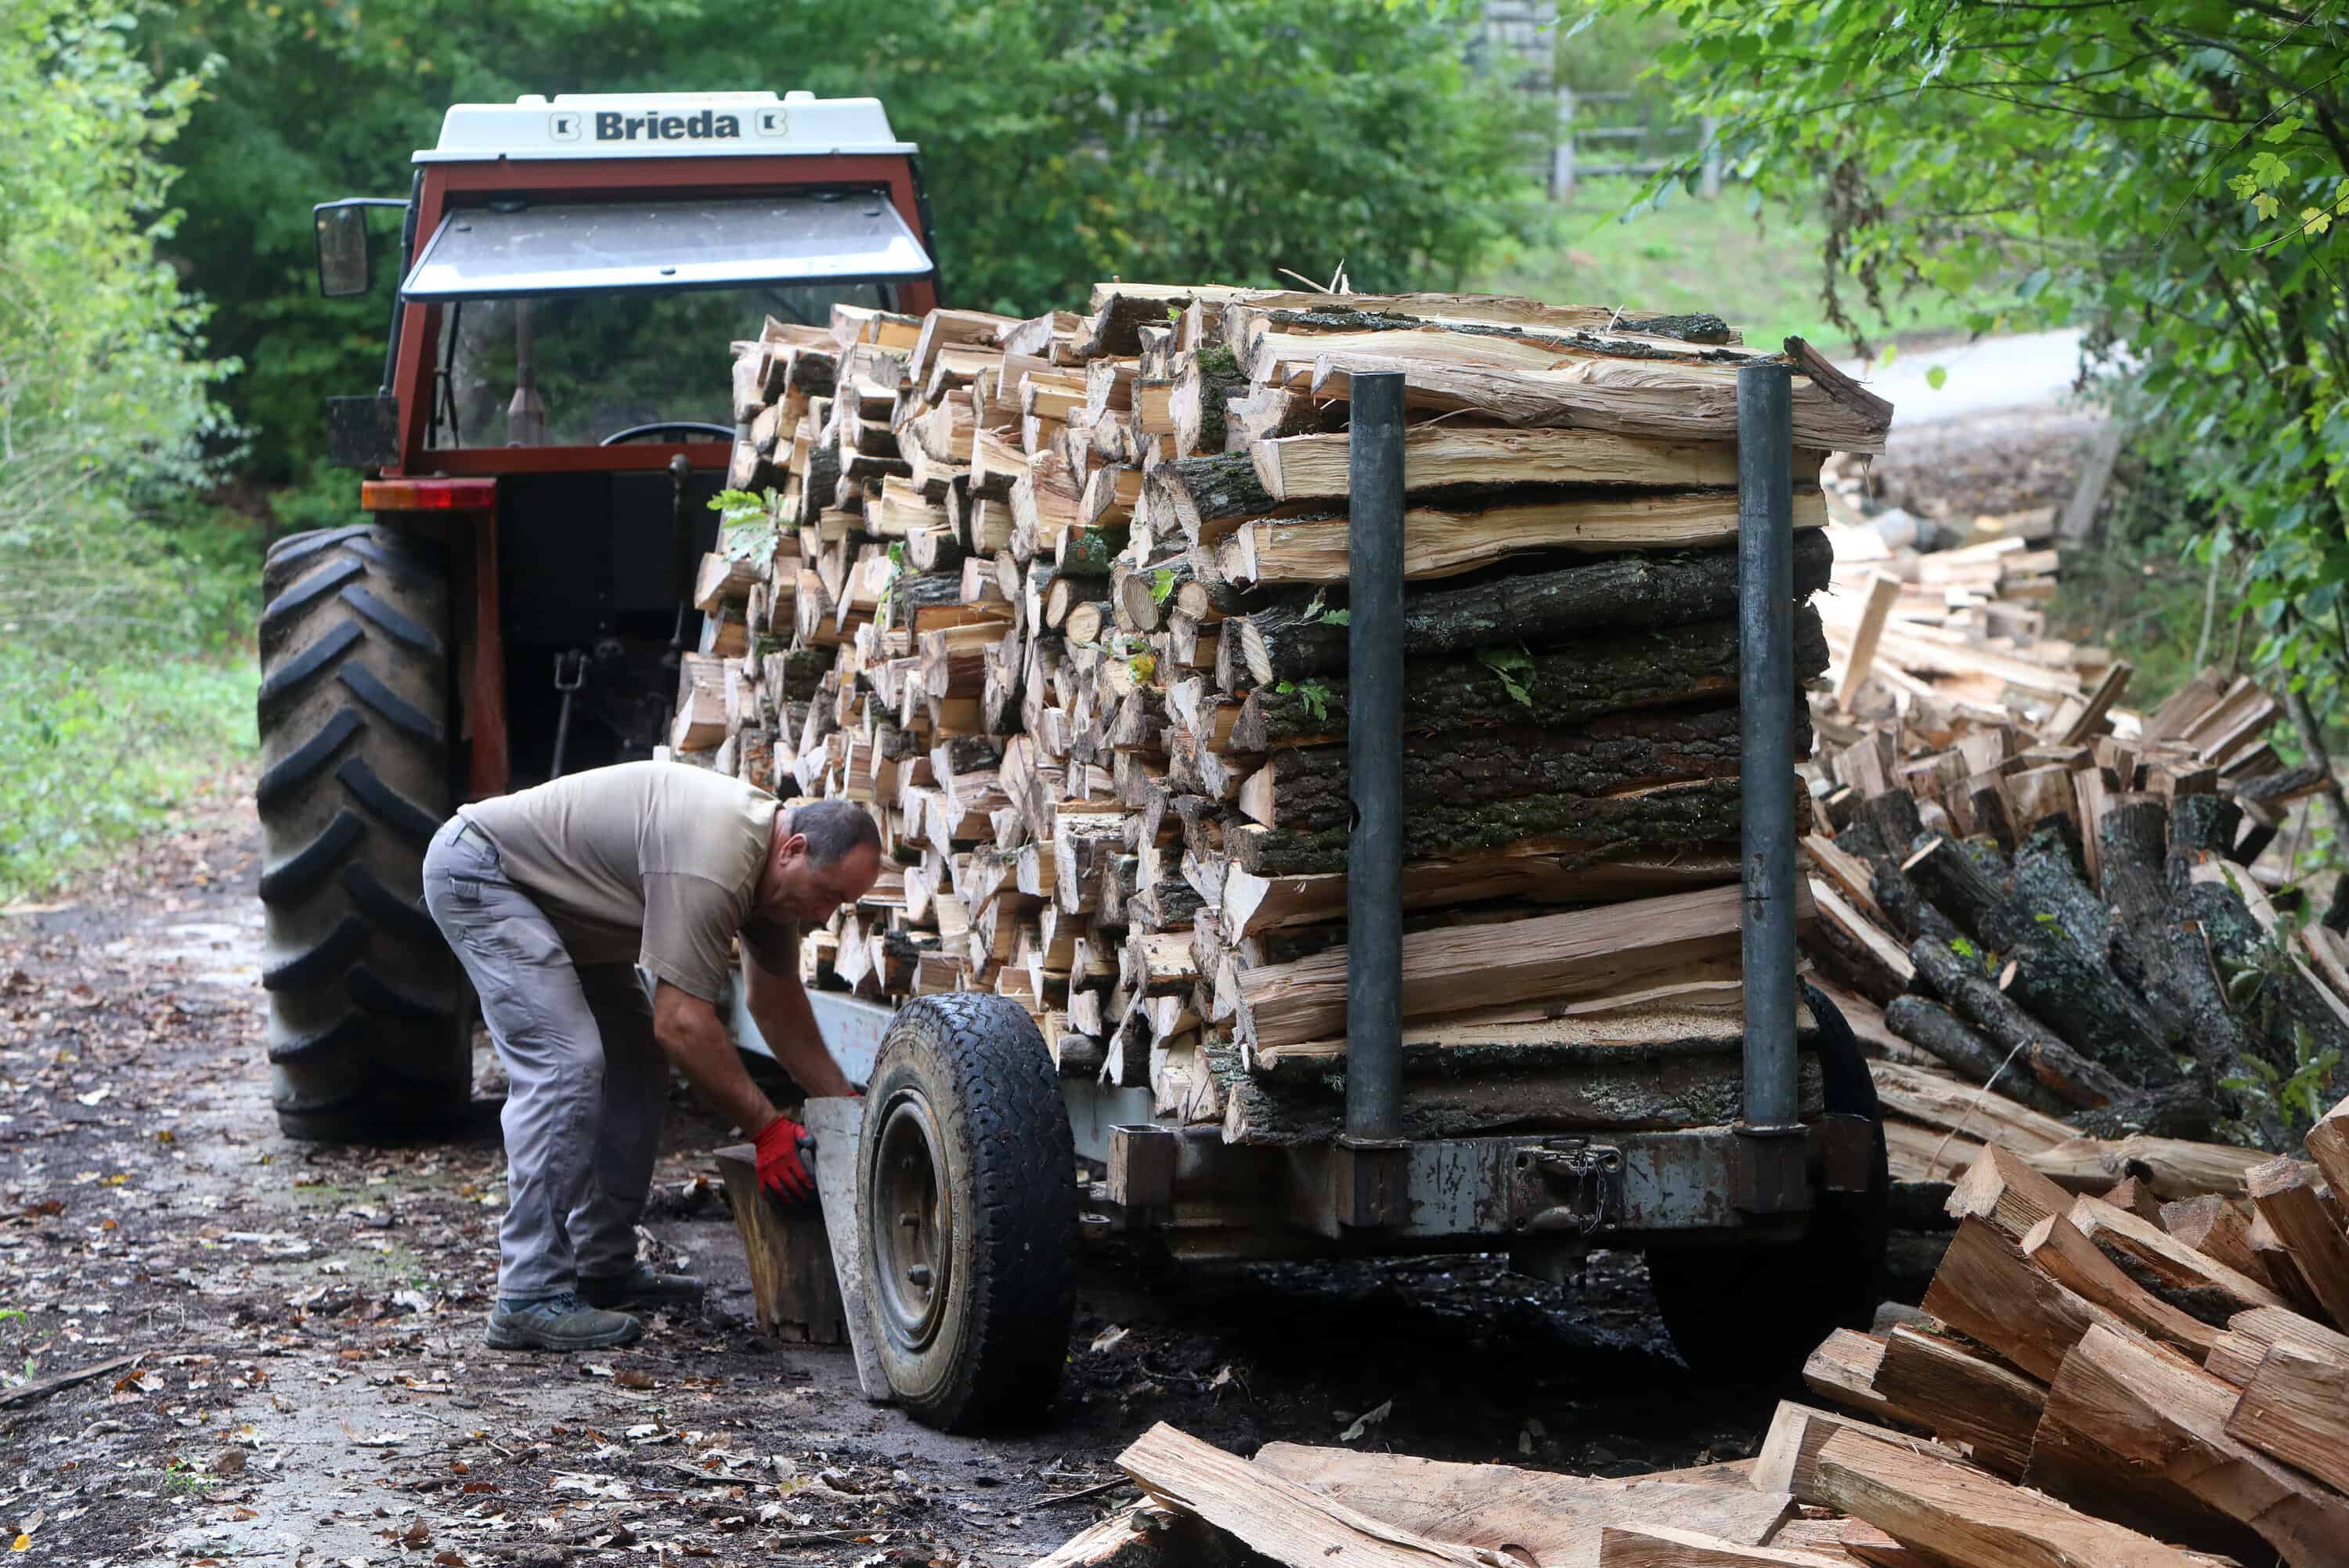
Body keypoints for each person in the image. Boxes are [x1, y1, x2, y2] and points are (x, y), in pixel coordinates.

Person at [420, 760, 882, 1351]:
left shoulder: (774, 879)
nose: (824, 917)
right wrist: (768, 1129)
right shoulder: (718, 856)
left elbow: (777, 1004)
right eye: (828, 896)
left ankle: (601, 1266)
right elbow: (683, 1023)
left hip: (566, 910)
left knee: (635, 1062)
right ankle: (528, 1294)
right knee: (567, 1063)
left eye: (840, 905)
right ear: (794, 849)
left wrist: (840, 1101)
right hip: (485, 875)